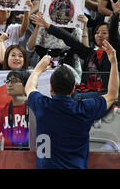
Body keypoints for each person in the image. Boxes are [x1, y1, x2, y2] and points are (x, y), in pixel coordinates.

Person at [25, 41, 118, 169]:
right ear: (73, 89)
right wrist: (113, 61)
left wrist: (38, 69)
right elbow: (112, 95)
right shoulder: (84, 109)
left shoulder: (42, 105)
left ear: (51, 88)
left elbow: (29, 87)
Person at [31, 0, 120, 100]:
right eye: (97, 32)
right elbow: (69, 39)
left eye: (104, 33)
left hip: (105, 92)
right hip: (85, 91)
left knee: (77, 97)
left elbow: (114, 36)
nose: (99, 35)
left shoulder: (114, 53)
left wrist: (115, 15)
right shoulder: (89, 53)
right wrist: (47, 25)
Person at [28, 12, 88, 77]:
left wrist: (84, 27)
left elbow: (85, 52)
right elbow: (30, 47)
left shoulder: (76, 30)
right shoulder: (43, 29)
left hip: (70, 72)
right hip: (46, 70)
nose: (61, 15)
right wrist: (37, 26)